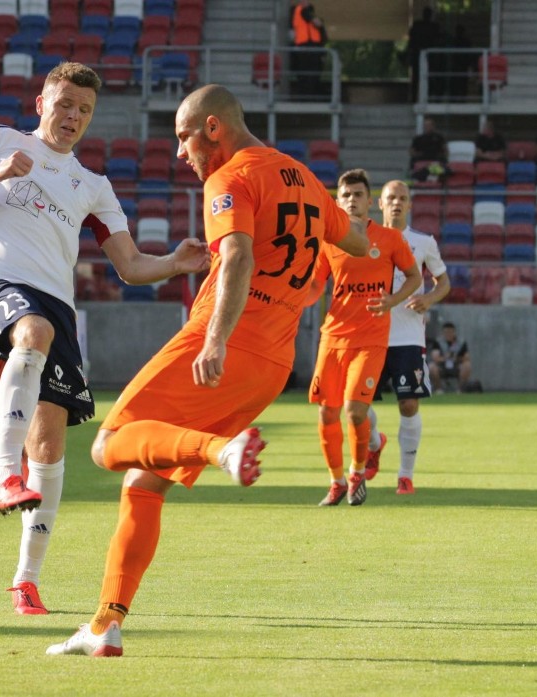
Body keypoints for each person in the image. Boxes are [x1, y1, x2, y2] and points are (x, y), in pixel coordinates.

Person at [45, 84, 369, 657]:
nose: (179, 153)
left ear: (213, 128)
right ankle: (106, 623)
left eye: (183, 137)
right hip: (274, 362)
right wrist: (309, 274)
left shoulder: (231, 177)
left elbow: (240, 254)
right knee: (143, 484)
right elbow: (360, 244)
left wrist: (215, 338)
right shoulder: (304, 179)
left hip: (223, 343)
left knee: (109, 444)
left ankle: (222, 452)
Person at [0, 61, 211, 616]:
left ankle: (25, 580)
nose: (73, 117)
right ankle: (2, 476)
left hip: (56, 307)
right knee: (33, 330)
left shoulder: (94, 186)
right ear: (42, 103)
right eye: (65, 105)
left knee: (52, 446)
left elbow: (129, 266)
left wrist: (176, 264)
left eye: (84, 111)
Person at [305, 169, 422, 507]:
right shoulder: (329, 242)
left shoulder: (389, 239)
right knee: (327, 414)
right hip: (333, 338)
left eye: (358, 195)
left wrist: (393, 300)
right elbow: (315, 286)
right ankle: (336, 481)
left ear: (370, 202)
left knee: (355, 412)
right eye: (346, 195)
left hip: (371, 338)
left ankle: (357, 473)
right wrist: (293, 298)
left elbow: (414, 277)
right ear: (337, 202)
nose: (352, 200)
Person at [363, 181, 451, 496]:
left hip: (408, 337)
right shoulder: (363, 238)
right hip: (370, 333)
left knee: (409, 404)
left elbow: (443, 282)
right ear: (380, 204)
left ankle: (405, 475)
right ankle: (375, 442)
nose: (397, 203)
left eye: (402, 198)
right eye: (391, 198)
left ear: (410, 205)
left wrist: (429, 300)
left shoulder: (423, 242)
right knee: (358, 405)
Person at [291, 1, 327, 100]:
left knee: (309, 73)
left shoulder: (302, 12)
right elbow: (317, 23)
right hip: (307, 46)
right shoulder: (302, 11)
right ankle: (308, 96)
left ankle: (309, 95)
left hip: (310, 46)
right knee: (309, 72)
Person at [407, 7, 441, 101]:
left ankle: (428, 97)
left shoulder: (433, 27)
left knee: (429, 78)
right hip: (418, 55)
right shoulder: (418, 25)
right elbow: (411, 41)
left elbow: (437, 41)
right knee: (416, 78)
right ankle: (414, 98)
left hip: (429, 57)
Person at [428, 321, 471, 393]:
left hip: (456, 366)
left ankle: (460, 390)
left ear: (454, 332)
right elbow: (435, 358)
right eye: (446, 332)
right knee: (432, 367)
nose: (448, 334)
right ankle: (439, 390)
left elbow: (466, 357)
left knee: (467, 365)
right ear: (443, 333)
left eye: (450, 332)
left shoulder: (461, 342)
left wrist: (455, 358)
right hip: (442, 367)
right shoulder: (438, 342)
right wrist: (446, 357)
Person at [409, 117, 449, 182]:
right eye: (426, 125)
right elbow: (411, 151)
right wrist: (417, 154)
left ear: (433, 126)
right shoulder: (418, 138)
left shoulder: (439, 137)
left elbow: (446, 150)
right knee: (413, 161)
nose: (427, 127)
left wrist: (443, 156)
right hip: (422, 157)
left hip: (435, 158)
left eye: (429, 125)